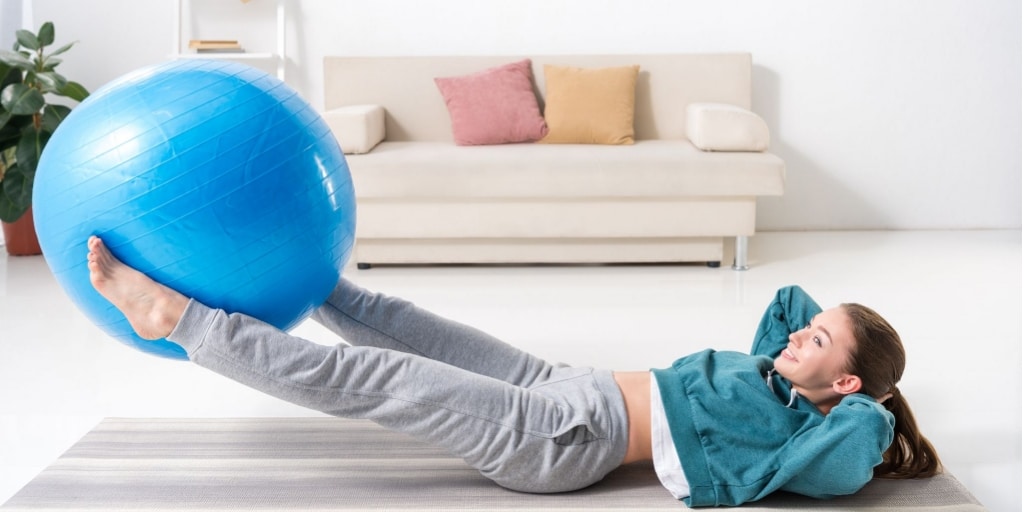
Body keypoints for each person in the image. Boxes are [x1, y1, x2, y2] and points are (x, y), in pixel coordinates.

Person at [85, 235, 940, 507]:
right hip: (563, 383)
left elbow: (857, 444)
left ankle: (184, 324)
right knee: (408, 325)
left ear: (849, 390)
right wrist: (832, 341)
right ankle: (308, 283)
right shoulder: (773, 373)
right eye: (814, 333)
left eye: (821, 347)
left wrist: (868, 400)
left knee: (384, 375)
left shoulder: (809, 433)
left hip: (563, 439)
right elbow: (790, 303)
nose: (801, 337)